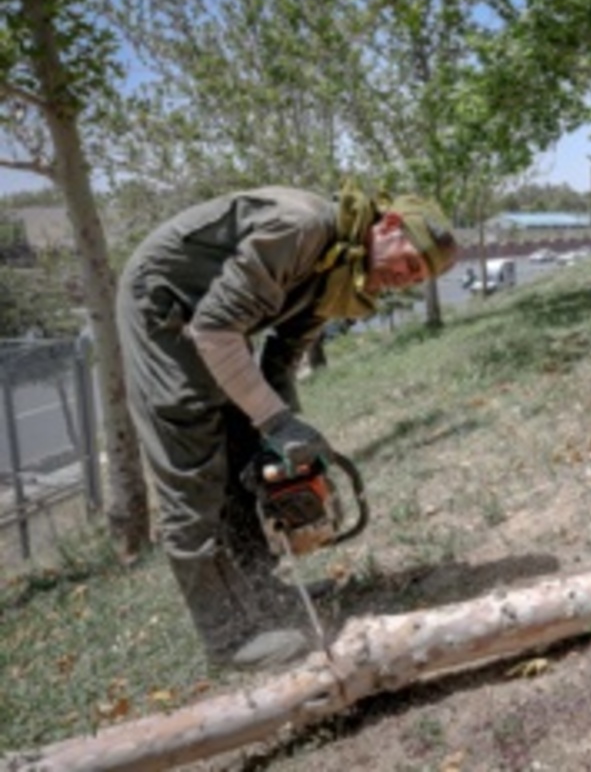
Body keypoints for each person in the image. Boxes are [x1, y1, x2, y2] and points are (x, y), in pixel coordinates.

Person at [116, 181, 458, 670]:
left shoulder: (341, 271)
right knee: (192, 446)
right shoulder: (302, 228)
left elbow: (282, 359)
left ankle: (264, 587)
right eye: (410, 260)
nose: (406, 277)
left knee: (242, 442)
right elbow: (214, 329)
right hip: (163, 305)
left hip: (212, 324)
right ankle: (225, 637)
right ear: (388, 225)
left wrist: (282, 433)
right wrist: (276, 419)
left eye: (418, 276)